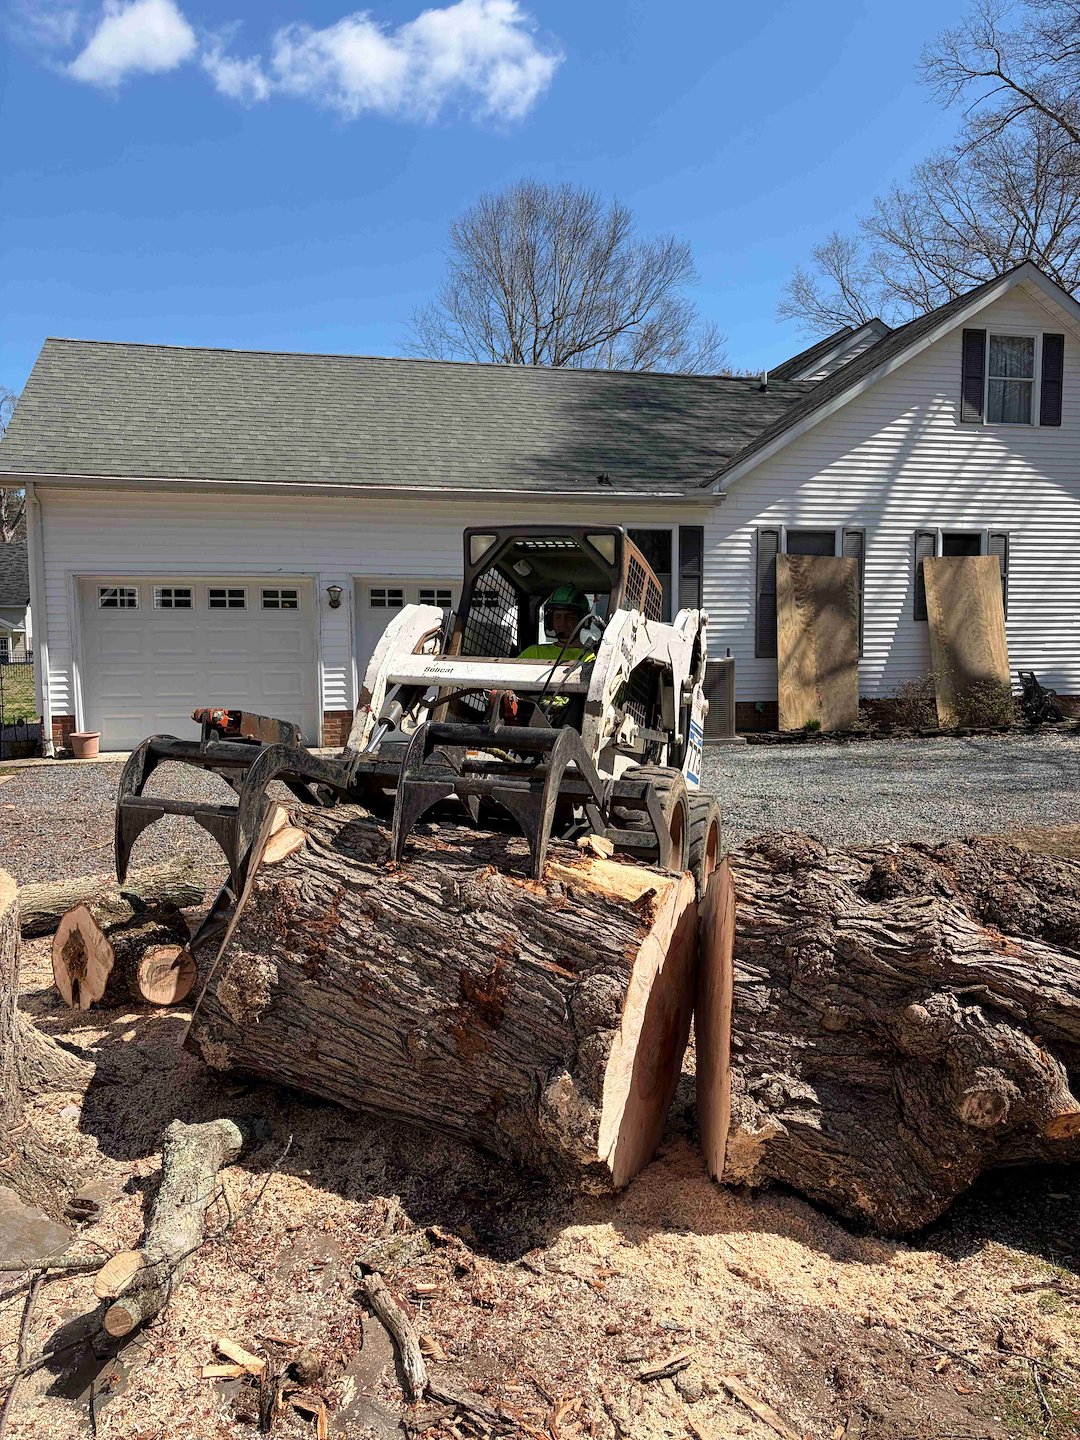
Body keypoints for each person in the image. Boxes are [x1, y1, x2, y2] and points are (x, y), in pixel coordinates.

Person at [518, 586, 592, 661]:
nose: (563, 623)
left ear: (582, 620)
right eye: (557, 617)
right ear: (550, 621)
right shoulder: (533, 653)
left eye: (570, 617)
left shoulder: (592, 658)